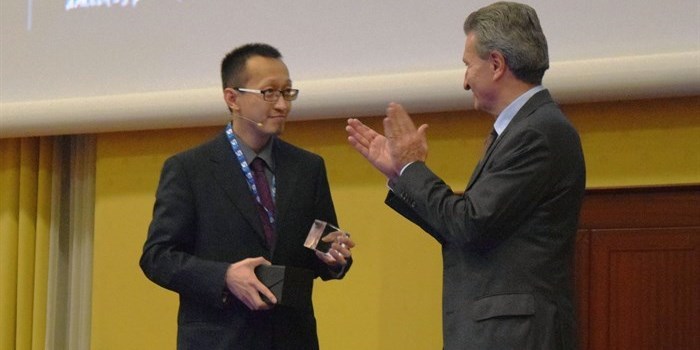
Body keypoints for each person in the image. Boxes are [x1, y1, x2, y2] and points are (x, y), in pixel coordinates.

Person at [346, 2, 585, 349]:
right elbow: (469, 228)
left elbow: (469, 224)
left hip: (516, 337)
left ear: (497, 64)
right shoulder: (524, 129)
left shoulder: (538, 132)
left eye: (468, 65)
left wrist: (413, 168)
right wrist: (402, 174)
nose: (464, 80)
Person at [140, 43, 355, 350]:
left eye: (288, 92)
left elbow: (320, 246)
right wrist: (224, 276)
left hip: (292, 339)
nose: (282, 105)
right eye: (269, 93)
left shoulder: (307, 167)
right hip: (219, 339)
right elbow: (157, 257)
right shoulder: (189, 169)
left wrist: (334, 258)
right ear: (233, 98)